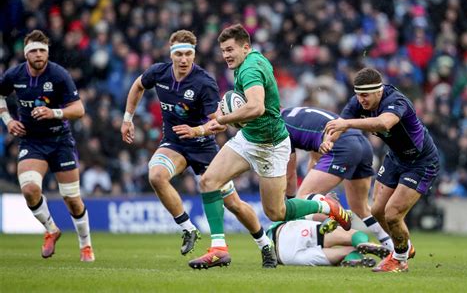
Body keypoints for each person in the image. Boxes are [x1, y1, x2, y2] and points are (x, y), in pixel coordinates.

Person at [189, 24, 352, 269]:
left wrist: (222, 119)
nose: (226, 55)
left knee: (276, 212)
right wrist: (225, 117)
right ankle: (219, 249)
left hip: (271, 146)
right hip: (249, 139)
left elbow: (256, 107)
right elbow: (245, 107)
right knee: (208, 181)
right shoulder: (250, 61)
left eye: (230, 49)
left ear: (246, 47)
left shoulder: (251, 68)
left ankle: (325, 205)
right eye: (223, 50)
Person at [120, 30, 277, 267]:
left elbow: (219, 123)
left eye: (189, 54)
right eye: (179, 54)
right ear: (171, 54)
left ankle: (264, 244)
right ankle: (187, 228)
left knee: (233, 203)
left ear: (194, 55)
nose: (184, 59)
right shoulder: (158, 73)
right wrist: (127, 118)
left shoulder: (204, 82)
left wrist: (197, 131)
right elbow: (138, 86)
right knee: (156, 175)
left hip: (203, 147)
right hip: (174, 144)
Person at [324, 67, 440, 272]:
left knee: (393, 214)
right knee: (377, 211)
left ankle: (399, 259)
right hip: (396, 158)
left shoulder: (396, 101)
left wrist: (347, 125)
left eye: (365, 95)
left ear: (379, 91)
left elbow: (383, 123)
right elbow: (338, 126)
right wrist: (328, 141)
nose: (361, 100)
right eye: (358, 95)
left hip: (421, 162)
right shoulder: (357, 102)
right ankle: (404, 247)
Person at [0, 30, 94, 262]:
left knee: (71, 198)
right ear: (26, 54)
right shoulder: (14, 75)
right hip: (32, 141)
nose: (39, 54)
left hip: (60, 140)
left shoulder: (59, 75)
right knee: (30, 190)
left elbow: (79, 110)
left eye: (42, 50)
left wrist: (54, 112)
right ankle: (51, 229)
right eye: (34, 50)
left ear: (48, 53)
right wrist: (8, 120)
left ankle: (86, 246)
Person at [282, 106, 394, 250]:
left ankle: (333, 209)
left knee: (303, 197)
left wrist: (293, 206)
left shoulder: (280, 127)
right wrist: (316, 195)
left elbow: (289, 175)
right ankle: (395, 248)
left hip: (342, 145)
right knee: (361, 208)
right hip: (362, 143)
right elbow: (316, 158)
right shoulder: (298, 111)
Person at [266, 203, 391, 267]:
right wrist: (335, 216)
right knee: (354, 235)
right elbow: (314, 215)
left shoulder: (273, 223)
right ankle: (362, 243)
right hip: (289, 233)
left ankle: (352, 260)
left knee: (346, 252)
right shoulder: (291, 210)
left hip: (284, 257)